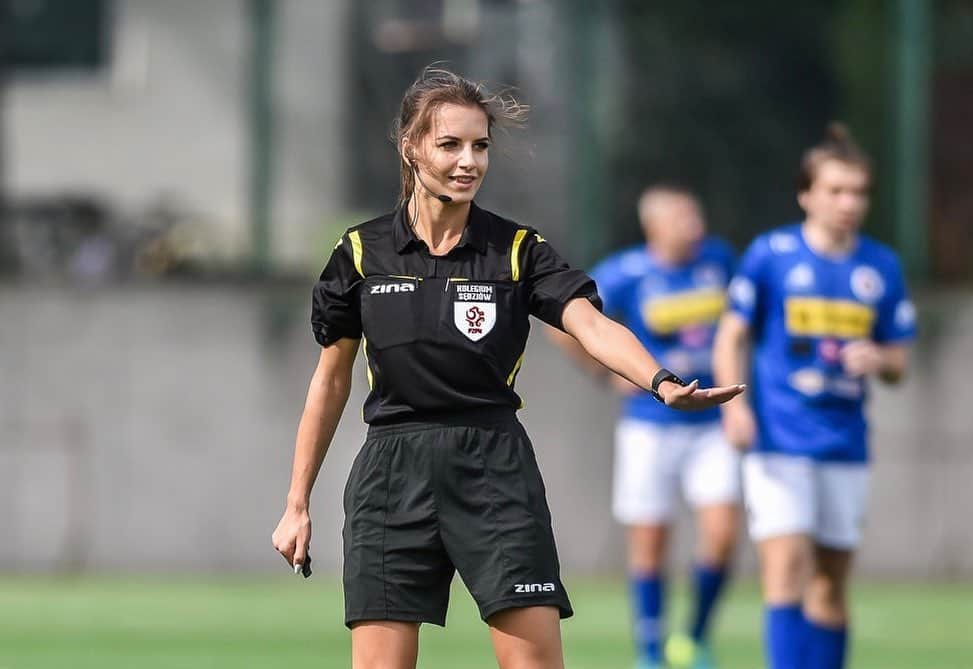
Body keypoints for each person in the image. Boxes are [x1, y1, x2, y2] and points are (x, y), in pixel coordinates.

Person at [271, 66, 745, 669]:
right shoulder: (360, 252)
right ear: (410, 147)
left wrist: (661, 382)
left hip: (492, 466)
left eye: (479, 145)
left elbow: (591, 325)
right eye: (450, 145)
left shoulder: (518, 249)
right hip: (391, 474)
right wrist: (297, 501)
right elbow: (331, 380)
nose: (468, 161)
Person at [712, 123, 917, 669]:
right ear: (807, 194)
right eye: (836, 190)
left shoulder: (881, 266)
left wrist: (879, 359)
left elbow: (900, 361)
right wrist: (734, 409)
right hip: (779, 438)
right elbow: (731, 335)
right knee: (785, 571)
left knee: (830, 583)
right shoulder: (771, 254)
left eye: (858, 192)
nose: (849, 203)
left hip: (845, 441)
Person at [550, 185, 740, 669]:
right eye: (682, 219)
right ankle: (651, 651)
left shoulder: (719, 260)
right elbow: (561, 321)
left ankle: (693, 638)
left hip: (711, 422)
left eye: (696, 217)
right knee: (650, 540)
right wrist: (604, 373)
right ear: (654, 226)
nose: (694, 228)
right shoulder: (628, 271)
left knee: (721, 533)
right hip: (650, 425)